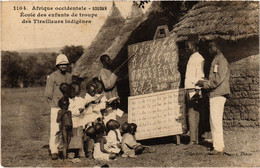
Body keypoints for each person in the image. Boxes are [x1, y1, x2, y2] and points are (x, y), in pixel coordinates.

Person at [196, 40, 230, 155]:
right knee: (214, 120)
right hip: (215, 93)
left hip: (218, 93)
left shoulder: (221, 60)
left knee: (216, 120)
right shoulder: (217, 60)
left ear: (217, 47)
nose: (209, 50)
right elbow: (215, 79)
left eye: (211, 47)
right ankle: (217, 145)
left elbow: (218, 79)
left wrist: (205, 84)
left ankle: (219, 147)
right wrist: (205, 81)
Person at [45, 54, 71, 160]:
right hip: (56, 106)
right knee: (55, 129)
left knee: (67, 128)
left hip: (68, 106)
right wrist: (54, 104)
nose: (63, 66)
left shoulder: (69, 76)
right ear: (57, 65)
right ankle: (54, 150)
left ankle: (64, 149)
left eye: (65, 64)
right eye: (61, 64)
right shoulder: (52, 77)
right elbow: (48, 94)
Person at [185, 39, 205, 145]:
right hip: (189, 88)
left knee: (193, 113)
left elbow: (200, 75)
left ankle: (194, 139)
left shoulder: (199, 58)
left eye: (188, 47)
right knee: (192, 113)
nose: (186, 49)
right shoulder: (192, 58)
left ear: (193, 46)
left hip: (194, 89)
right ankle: (194, 138)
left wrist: (198, 91)